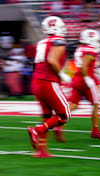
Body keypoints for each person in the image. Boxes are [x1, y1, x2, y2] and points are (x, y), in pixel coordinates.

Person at [27, 16, 72, 158]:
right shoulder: (58, 41)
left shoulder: (41, 42)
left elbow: (35, 65)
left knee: (47, 116)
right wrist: (62, 75)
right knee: (64, 115)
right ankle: (37, 130)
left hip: (37, 81)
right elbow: (52, 60)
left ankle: (41, 151)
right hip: (48, 81)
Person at [55, 29, 100, 141]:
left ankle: (59, 125)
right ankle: (95, 130)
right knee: (96, 105)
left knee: (73, 105)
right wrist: (88, 78)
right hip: (86, 78)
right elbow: (84, 66)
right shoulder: (91, 50)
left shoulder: (80, 49)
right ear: (91, 39)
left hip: (77, 78)